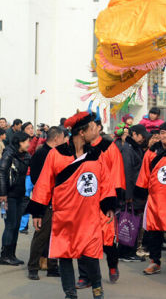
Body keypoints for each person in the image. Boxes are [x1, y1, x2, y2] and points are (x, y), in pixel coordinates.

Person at [26, 111, 116, 299]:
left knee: (92, 255)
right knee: (65, 255)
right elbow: (44, 183)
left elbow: (106, 181)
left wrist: (108, 204)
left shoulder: (96, 155)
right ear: (82, 132)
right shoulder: (56, 155)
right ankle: (70, 294)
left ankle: (97, 291)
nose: (96, 131)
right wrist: (37, 212)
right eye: (92, 128)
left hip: (89, 216)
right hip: (64, 215)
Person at [76, 114, 126, 287]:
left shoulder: (108, 147)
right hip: (84, 200)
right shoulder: (79, 147)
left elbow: (116, 173)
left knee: (107, 238)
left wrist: (112, 201)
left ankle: (112, 265)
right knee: (82, 239)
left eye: (92, 127)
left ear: (98, 128)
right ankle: (85, 276)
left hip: (104, 200)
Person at [135, 122, 166, 275]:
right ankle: (155, 261)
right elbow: (144, 173)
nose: (165, 136)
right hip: (156, 198)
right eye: (162, 133)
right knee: (155, 231)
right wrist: (141, 193)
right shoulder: (152, 152)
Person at [27, 127, 67, 280]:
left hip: (59, 201)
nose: (65, 141)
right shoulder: (41, 154)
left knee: (56, 236)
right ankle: (33, 267)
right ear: (56, 138)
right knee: (41, 235)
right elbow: (37, 180)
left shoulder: (57, 154)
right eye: (64, 137)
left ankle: (52, 266)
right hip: (44, 201)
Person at [115, 124, 150, 262]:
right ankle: (125, 252)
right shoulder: (128, 150)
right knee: (128, 221)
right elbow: (126, 173)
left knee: (133, 221)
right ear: (134, 134)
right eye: (141, 136)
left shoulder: (135, 148)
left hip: (136, 191)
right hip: (130, 192)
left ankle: (129, 250)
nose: (143, 139)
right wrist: (127, 195)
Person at [0, 131, 31, 266]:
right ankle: (5, 255)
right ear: (20, 142)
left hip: (20, 194)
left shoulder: (25, 156)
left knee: (17, 225)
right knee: (10, 225)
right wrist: (3, 194)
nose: (29, 144)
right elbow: (1, 173)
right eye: (27, 141)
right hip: (9, 195)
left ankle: (12, 254)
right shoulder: (9, 154)